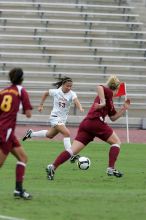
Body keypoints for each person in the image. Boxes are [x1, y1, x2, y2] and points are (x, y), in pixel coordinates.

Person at [45, 75, 131, 180]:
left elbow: (113, 117)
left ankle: (52, 167)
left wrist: (123, 109)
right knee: (116, 142)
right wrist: (103, 102)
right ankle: (111, 168)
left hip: (86, 124)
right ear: (116, 89)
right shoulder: (108, 92)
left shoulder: (110, 102)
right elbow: (99, 87)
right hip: (96, 122)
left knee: (72, 151)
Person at [22, 77, 84, 162]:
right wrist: (41, 105)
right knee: (67, 133)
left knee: (49, 135)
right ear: (63, 85)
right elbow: (45, 93)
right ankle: (71, 155)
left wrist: (80, 107)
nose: (69, 88)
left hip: (62, 120)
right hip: (55, 117)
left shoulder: (72, 93)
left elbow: (76, 100)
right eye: (67, 86)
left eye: (70, 86)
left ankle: (31, 134)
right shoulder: (56, 92)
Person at [0, 68, 33, 199]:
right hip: (6, 130)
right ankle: (18, 190)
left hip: (6, 130)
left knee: (23, 158)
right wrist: (21, 110)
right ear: (22, 78)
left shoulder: (3, 91)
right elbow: (29, 114)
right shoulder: (21, 90)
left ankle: (18, 190)